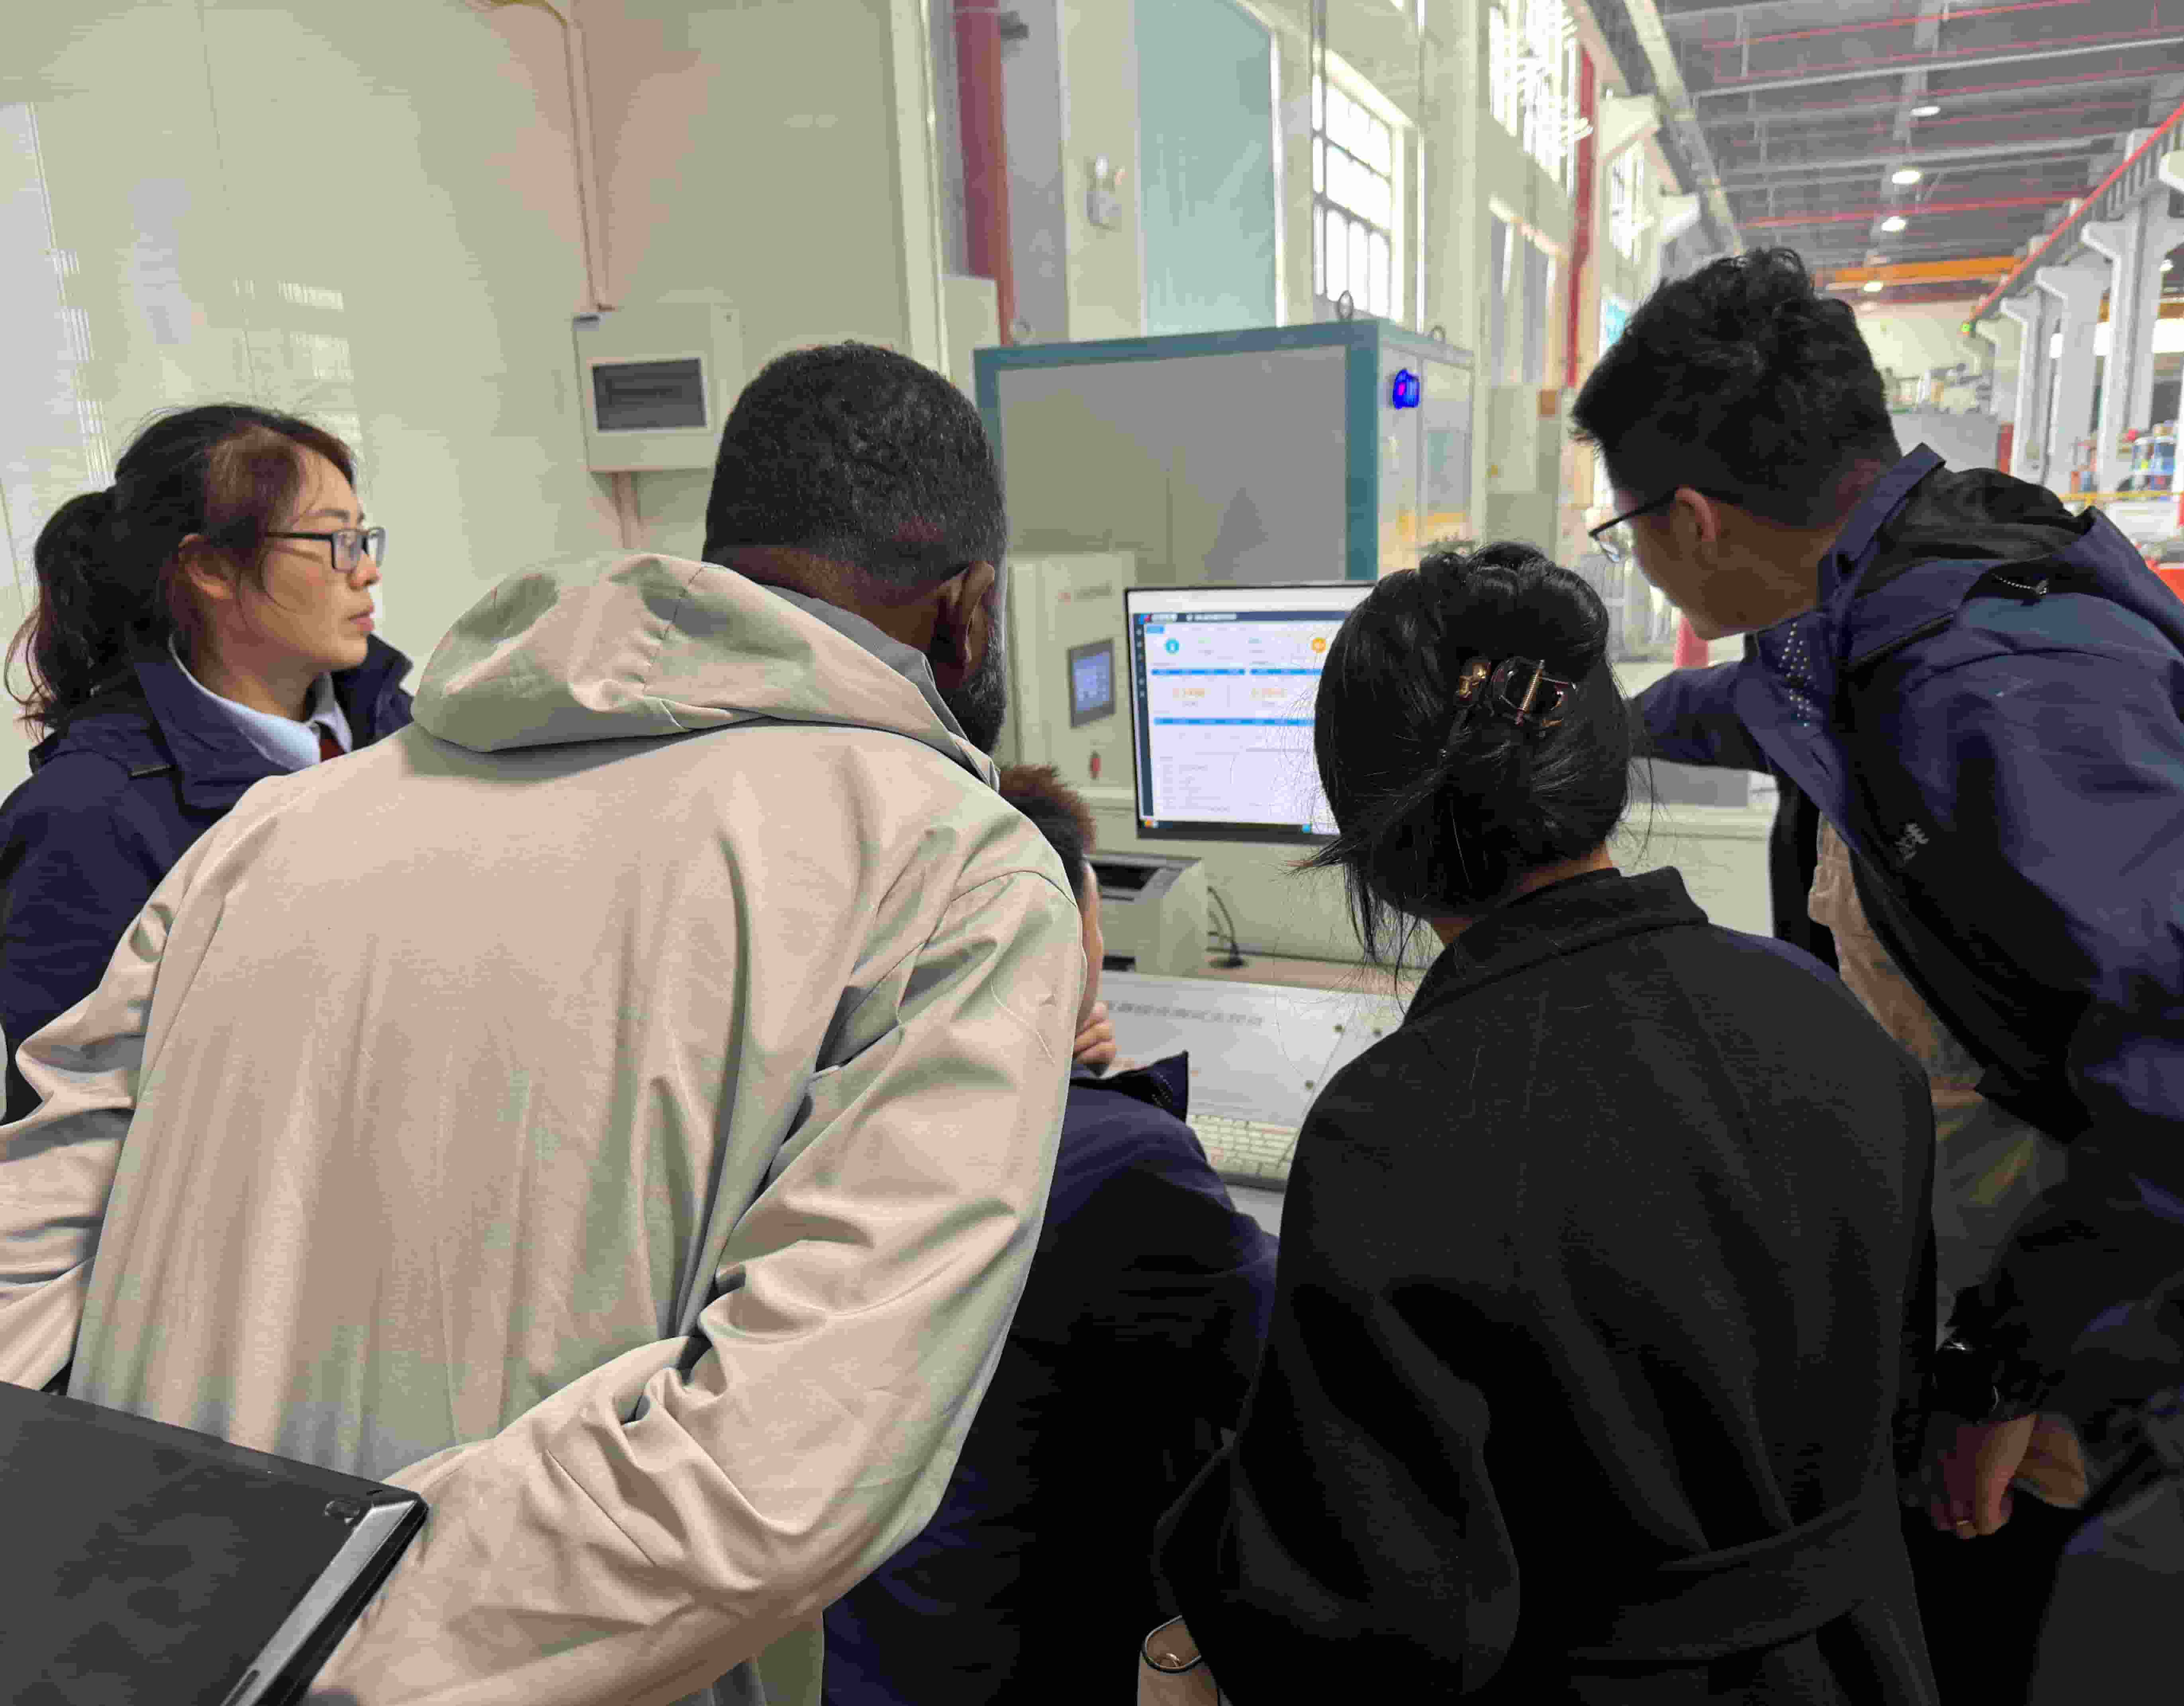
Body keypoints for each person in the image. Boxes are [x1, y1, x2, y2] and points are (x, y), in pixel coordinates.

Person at [0, 342, 1091, 1706]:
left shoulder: (273, 831)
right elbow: (776, 1472)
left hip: (127, 1655)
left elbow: (24, 1258)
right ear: (972, 614)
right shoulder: (947, 866)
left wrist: (162, 1605)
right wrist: (297, 1637)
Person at [1582, 247, 2184, 1700]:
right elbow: (1766, 703)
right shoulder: (1886, 599)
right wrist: (1611, 725)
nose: (1631, 554)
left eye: (1622, 527)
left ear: (1692, 521)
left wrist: (2006, 1367)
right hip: (2031, 1290)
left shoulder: (1995, 685)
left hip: (2151, 1350)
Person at [1154, 542, 1943, 1703]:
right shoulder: (1833, 1024)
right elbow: (1899, 1407)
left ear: (1369, 840)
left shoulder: (1393, 1132)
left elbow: (1362, 1621)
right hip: (1863, 1657)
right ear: (1606, 765)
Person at [823, 761, 1276, 1706]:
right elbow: (1290, 1365)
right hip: (1019, 1660)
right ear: (1070, 927)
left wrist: (1047, 1067)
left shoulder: (834, 1119)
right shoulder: (1125, 1165)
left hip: (864, 1641)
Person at [0, 404, 412, 1121]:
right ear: (212, 568)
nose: (368, 571)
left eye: (364, 537)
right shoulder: (88, 817)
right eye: (335, 541)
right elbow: (72, 1131)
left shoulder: (405, 730)